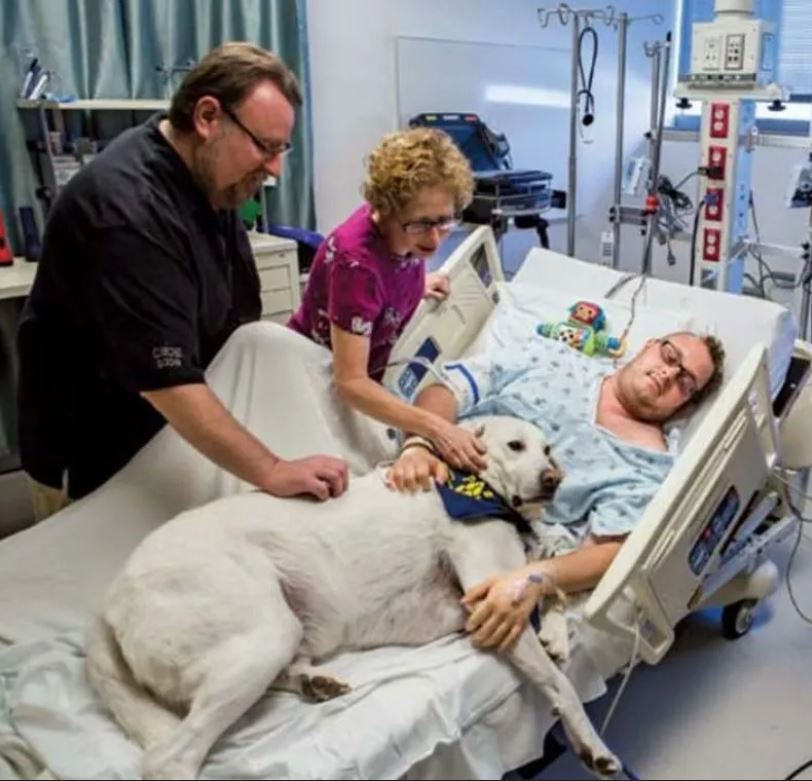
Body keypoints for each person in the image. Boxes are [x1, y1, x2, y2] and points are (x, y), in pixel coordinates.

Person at [17, 42, 347, 520]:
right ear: (208, 117)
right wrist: (272, 469)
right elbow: (167, 381)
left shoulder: (210, 178)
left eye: (283, 149)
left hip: (163, 436)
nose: (275, 168)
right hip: (95, 448)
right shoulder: (127, 212)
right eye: (265, 146)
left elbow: (233, 318)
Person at [388, 330, 725, 651]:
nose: (668, 373)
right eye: (669, 356)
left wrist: (535, 579)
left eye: (685, 382)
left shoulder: (646, 463)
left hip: (492, 537)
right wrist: (420, 445)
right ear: (649, 345)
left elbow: (610, 553)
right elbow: (446, 390)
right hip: (428, 478)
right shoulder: (552, 359)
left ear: (687, 404)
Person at [288, 128, 487, 474]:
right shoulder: (357, 265)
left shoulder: (402, 234)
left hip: (367, 368)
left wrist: (416, 283)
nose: (435, 237)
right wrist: (437, 428)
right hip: (320, 384)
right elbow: (350, 383)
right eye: (422, 224)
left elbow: (387, 271)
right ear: (387, 208)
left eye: (445, 221)